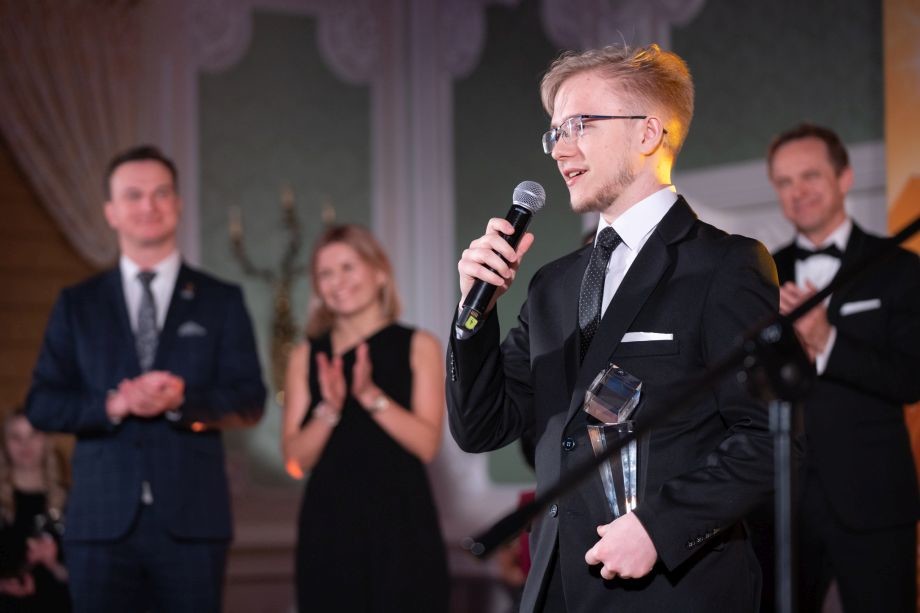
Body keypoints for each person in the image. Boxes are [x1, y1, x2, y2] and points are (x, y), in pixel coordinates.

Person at [447, 44, 779, 612]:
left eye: (580, 125)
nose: (560, 149)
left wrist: (660, 527)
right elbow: (482, 426)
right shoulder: (552, 285)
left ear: (648, 133)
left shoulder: (724, 266)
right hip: (554, 588)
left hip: (669, 592)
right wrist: (473, 313)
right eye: (555, 133)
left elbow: (770, 436)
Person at [26, 145, 266, 613]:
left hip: (193, 524)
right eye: (133, 195)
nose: (148, 206)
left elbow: (249, 400)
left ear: (178, 204)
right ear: (111, 212)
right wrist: (112, 405)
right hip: (99, 525)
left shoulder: (221, 299)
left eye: (161, 193)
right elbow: (42, 403)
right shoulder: (77, 304)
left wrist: (182, 402)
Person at [767, 123, 920, 613]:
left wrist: (826, 340)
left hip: (874, 501)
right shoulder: (761, 275)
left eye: (810, 175)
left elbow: (911, 378)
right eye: (785, 182)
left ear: (844, 177)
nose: (798, 191)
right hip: (781, 503)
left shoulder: (898, 268)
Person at [281, 224, 449, 613]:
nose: (338, 281)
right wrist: (330, 409)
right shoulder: (307, 355)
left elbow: (426, 445)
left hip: (402, 522)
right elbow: (295, 459)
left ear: (379, 273)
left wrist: (370, 395)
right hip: (329, 525)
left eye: (348, 267)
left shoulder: (419, 345)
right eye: (326, 273)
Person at [0, 409, 70, 612]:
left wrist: (53, 564)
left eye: (34, 434)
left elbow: (90, 578)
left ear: (47, 441)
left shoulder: (70, 500)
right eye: (16, 437)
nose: (25, 444)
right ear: (4, 443)